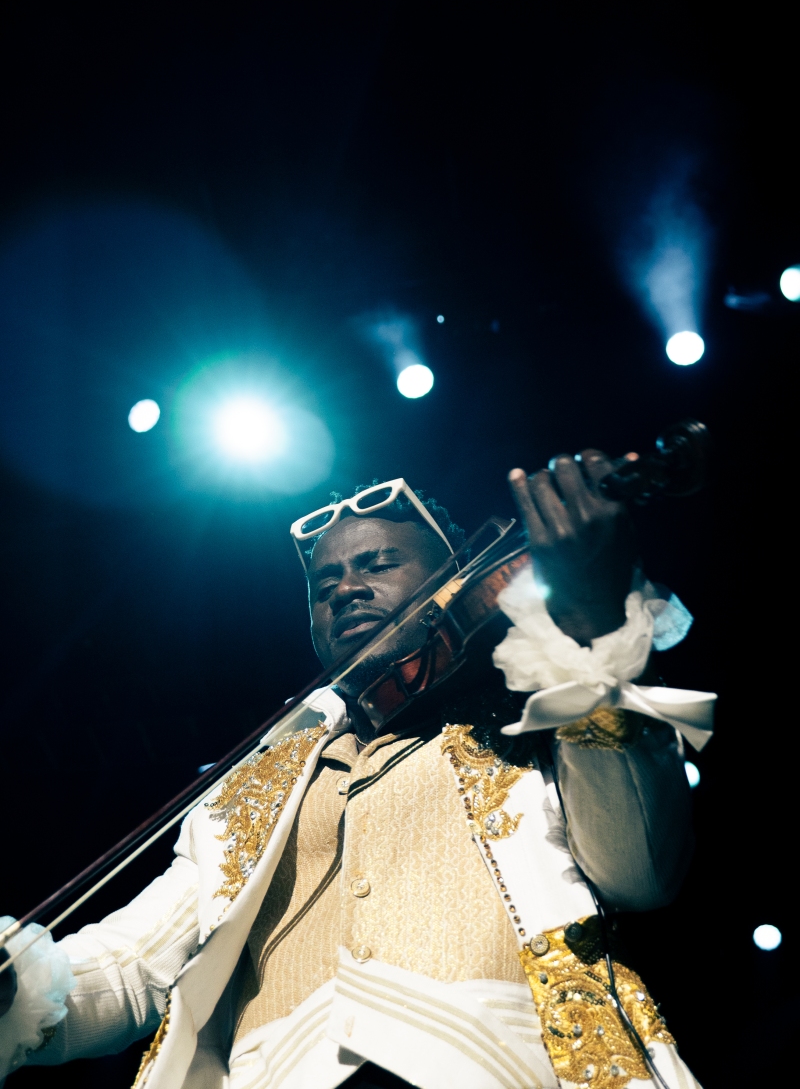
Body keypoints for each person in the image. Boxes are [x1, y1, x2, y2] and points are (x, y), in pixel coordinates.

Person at [0, 451, 713, 1089]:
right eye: (325, 582)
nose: (345, 588)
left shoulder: (536, 718)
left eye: (377, 564)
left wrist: (593, 623)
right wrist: (11, 989)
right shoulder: (252, 790)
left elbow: (639, 872)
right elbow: (128, 967)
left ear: (453, 579)